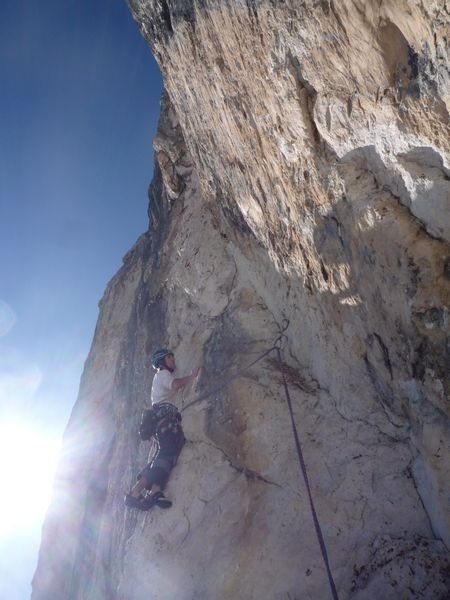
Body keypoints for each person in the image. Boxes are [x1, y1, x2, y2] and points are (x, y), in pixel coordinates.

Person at [125, 348, 200, 511]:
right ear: (161, 361)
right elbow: (175, 385)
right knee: (167, 452)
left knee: (160, 456)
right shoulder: (163, 374)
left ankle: (136, 492)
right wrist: (192, 376)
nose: (173, 360)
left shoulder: (158, 377)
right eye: (169, 357)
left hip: (161, 421)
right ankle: (155, 491)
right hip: (166, 421)